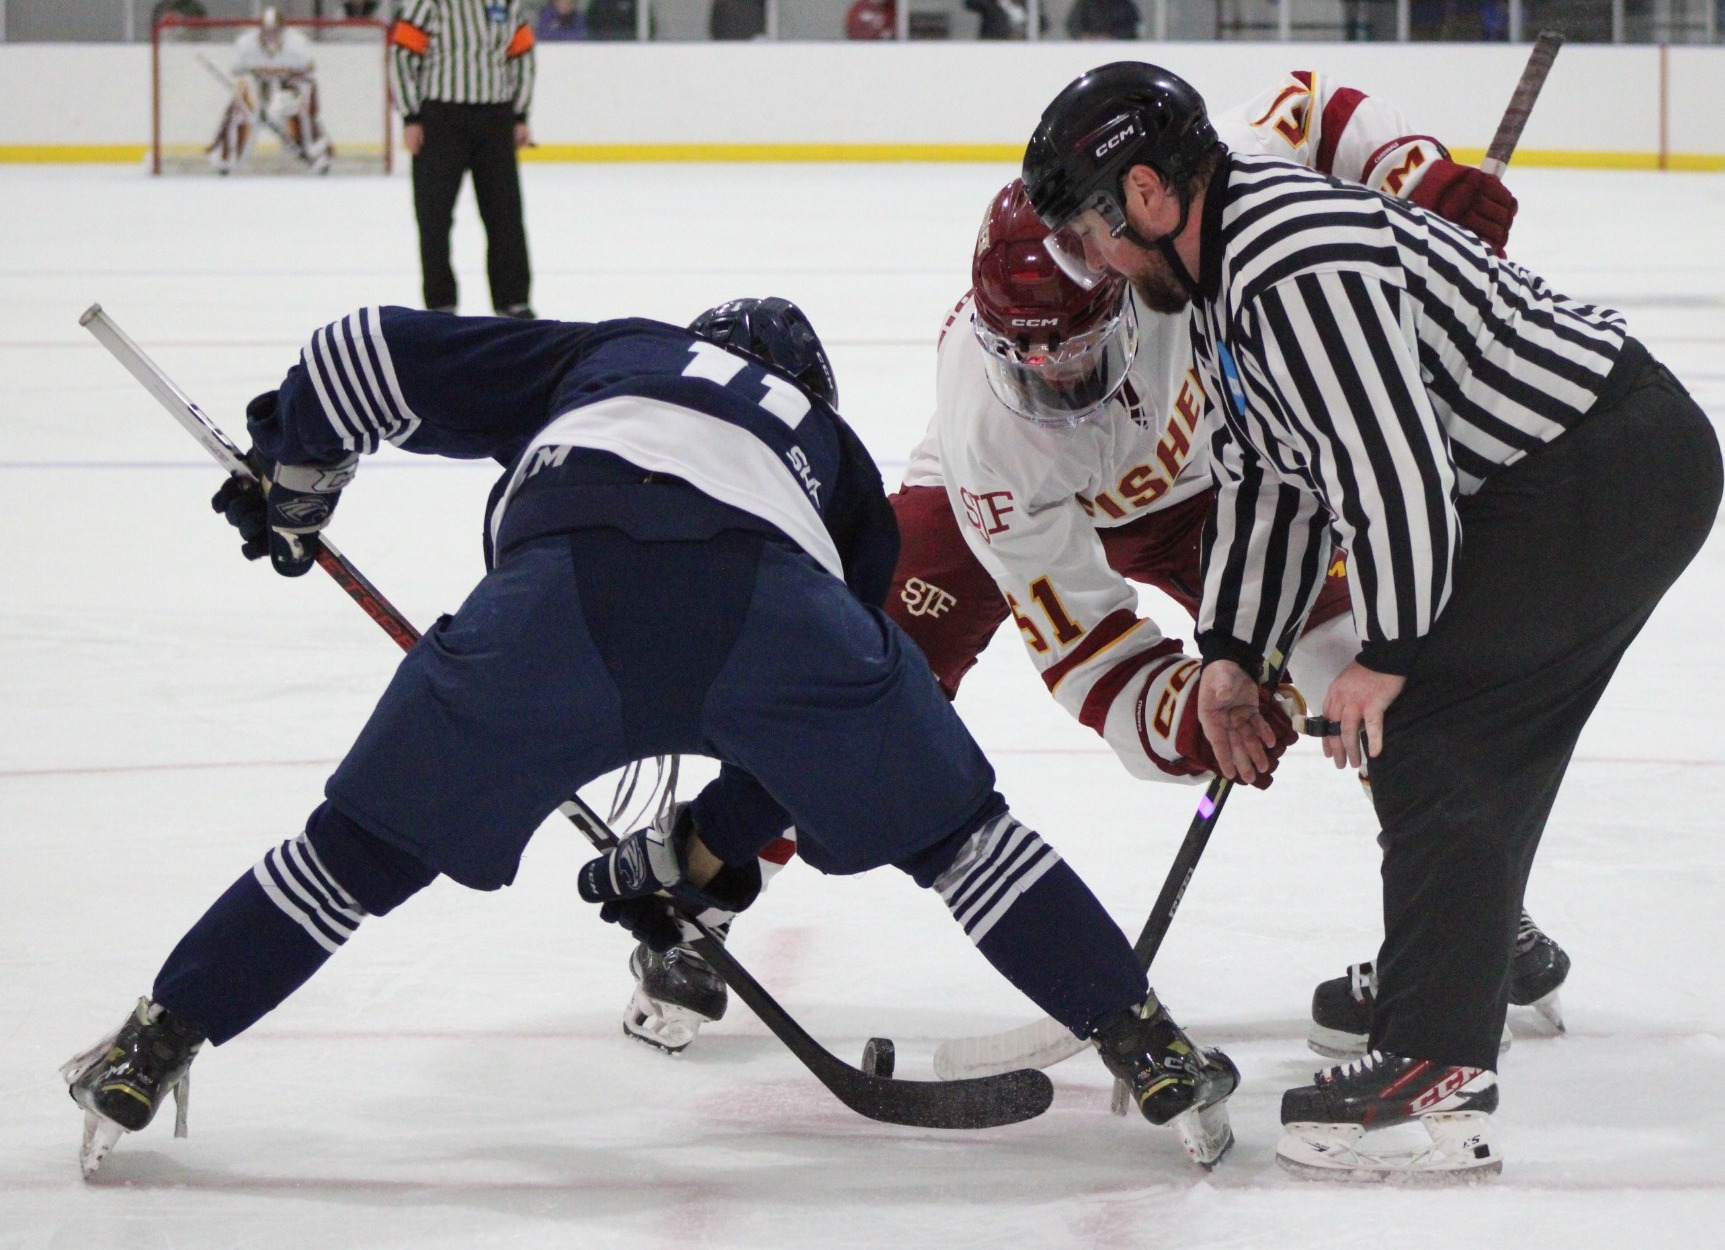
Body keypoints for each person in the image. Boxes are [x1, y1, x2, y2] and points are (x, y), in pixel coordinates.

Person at [61, 300, 1244, 1178]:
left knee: (350, 856)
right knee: (965, 844)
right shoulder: (831, 455)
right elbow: (827, 701)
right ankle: (1148, 1046)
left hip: (554, 605)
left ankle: (154, 1040)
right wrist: (704, 850)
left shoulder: (611, 352)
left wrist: (295, 465)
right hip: (775, 605)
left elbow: (356, 351)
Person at [620, 72, 1563, 1063]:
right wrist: (1185, 710)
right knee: (858, 671)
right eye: (1026, 361)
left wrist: (1413, 178)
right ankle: (702, 886)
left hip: (1221, 485)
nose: (1055, 383)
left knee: (1361, 665)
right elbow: (1086, 648)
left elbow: (1315, 106)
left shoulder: (1178, 202)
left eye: (1070, 354)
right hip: (1013, 503)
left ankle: (1473, 925)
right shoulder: (990, 426)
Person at [1021, 62, 1723, 1181]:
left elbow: (1387, 470)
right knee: (1465, 740)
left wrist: (1388, 655)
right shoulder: (1219, 286)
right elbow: (1268, 482)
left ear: (1147, 193)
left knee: (1436, 725)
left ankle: (1434, 1068)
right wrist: (1232, 656)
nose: (1096, 263)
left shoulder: (1287, 260)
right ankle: (1442, 991)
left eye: (1090, 233)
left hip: (1604, 464)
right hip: (1575, 476)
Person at [390, 1, 538, 317]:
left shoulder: (506, 3)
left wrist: (520, 113)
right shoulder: (428, 3)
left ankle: (513, 300)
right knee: (434, 217)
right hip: (441, 119)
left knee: (505, 215)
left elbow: (521, 53)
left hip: (495, 117)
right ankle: (441, 304)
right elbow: (402, 53)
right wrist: (411, 115)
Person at [210, 8, 333, 176]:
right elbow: (239, 76)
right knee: (242, 111)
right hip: (257, 83)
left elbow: (308, 78)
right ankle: (227, 156)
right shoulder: (246, 45)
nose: (270, 36)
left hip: (289, 84)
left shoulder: (297, 45)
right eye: (267, 31)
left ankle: (314, 152)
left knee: (296, 110)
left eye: (275, 30)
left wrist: (299, 102)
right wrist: (254, 104)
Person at [1066, 0, 1140, 40]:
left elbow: (1133, 28)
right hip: (1088, 50)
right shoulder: (1085, 3)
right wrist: (1086, 36)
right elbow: (1072, 25)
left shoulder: (1124, 4)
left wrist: (1112, 37)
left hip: (1118, 51)